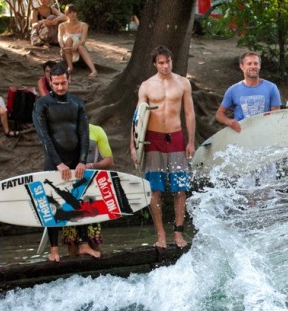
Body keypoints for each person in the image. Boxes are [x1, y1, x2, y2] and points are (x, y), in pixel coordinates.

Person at [32, 63, 100, 262]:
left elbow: (84, 134)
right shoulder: (42, 104)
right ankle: (54, 249)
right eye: (56, 84)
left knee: (79, 200)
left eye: (63, 83)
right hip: (55, 163)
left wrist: (82, 162)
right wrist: (59, 163)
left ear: (68, 80)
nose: (60, 87)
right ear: (50, 82)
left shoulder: (77, 103)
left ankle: (84, 244)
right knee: (52, 203)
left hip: (75, 162)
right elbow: (44, 136)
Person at [130, 45, 195, 250]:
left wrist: (190, 141)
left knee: (180, 188)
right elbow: (137, 117)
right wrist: (134, 145)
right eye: (161, 62)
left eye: (168, 61)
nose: (165, 66)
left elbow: (189, 114)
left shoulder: (183, 83)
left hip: (175, 137)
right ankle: (160, 234)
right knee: (154, 189)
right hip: (153, 140)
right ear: (154, 64)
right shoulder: (147, 86)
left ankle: (178, 231)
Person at [62, 123, 114, 257]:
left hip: (90, 192)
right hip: (69, 191)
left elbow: (109, 161)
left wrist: (90, 166)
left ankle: (97, 275)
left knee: (94, 240)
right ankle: (74, 274)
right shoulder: (64, 131)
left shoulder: (96, 131)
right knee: (71, 242)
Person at [215, 51, 281, 133]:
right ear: (241, 66)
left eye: (256, 63)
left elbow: (276, 115)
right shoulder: (233, 90)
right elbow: (219, 114)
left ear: (259, 66)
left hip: (264, 133)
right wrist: (229, 122)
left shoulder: (271, 88)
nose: (253, 66)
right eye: (249, 64)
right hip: (241, 134)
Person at [57, 4, 98, 77]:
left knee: (81, 47)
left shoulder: (83, 25)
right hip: (66, 51)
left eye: (74, 12)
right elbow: (59, 37)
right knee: (69, 40)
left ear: (77, 13)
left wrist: (75, 47)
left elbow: (83, 40)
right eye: (70, 12)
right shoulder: (62, 26)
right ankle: (70, 67)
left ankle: (94, 70)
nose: (72, 14)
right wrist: (63, 46)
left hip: (79, 51)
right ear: (66, 14)